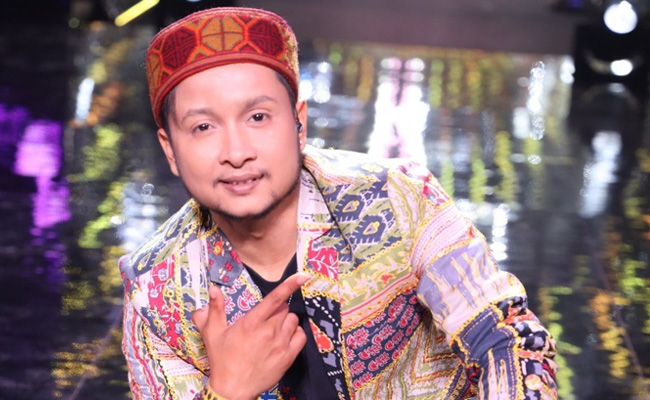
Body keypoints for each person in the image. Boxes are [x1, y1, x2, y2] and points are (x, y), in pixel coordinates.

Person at [119, 7, 558, 400]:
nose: (236, 152)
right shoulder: (154, 289)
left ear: (299, 123)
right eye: (203, 127)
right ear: (170, 149)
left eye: (258, 117)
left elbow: (506, 336)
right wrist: (227, 391)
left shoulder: (395, 198)